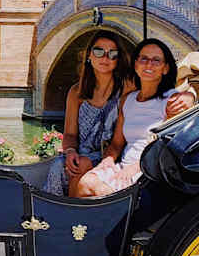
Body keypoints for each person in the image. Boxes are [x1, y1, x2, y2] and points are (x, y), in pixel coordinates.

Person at [71, 38, 195, 198]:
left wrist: (191, 95)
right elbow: (116, 144)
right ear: (136, 64)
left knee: (86, 184)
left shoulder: (173, 101)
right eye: (144, 59)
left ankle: (117, 214)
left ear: (165, 68)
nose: (149, 64)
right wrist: (107, 160)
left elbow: (165, 148)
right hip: (123, 167)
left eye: (156, 60)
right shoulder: (128, 99)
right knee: (77, 181)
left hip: (148, 172)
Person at [43, 31, 133, 196]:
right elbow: (70, 134)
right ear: (89, 55)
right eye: (99, 51)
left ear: (117, 60)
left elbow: (118, 143)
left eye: (112, 54)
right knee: (59, 166)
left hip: (110, 155)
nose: (105, 58)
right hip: (79, 153)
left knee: (82, 164)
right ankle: (53, 207)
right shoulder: (76, 92)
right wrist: (70, 151)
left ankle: (70, 211)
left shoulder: (127, 90)